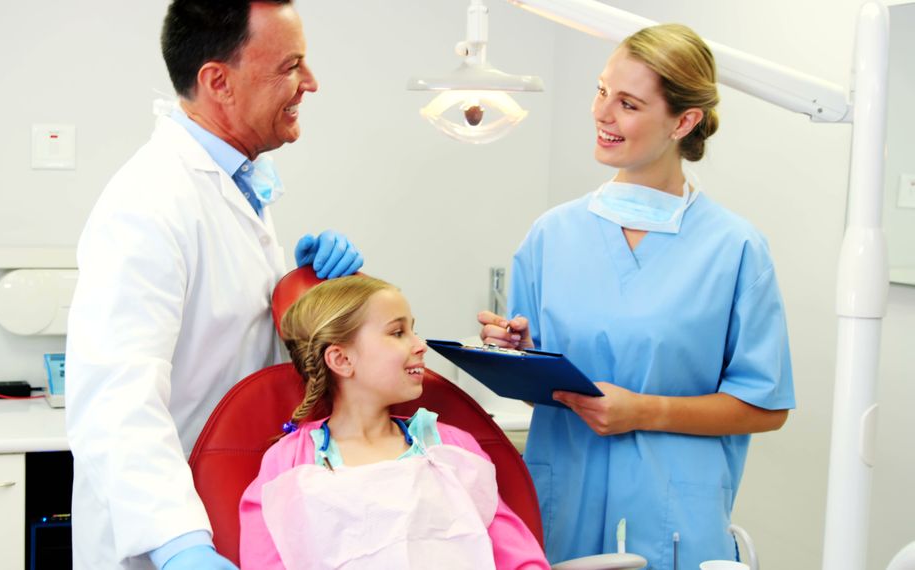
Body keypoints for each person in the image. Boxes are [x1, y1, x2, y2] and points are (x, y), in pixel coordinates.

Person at [478, 24, 795, 568]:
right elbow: (545, 394)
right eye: (601, 91)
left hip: (674, 523)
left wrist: (644, 411)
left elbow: (764, 407)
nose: (602, 114)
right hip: (562, 512)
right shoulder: (551, 236)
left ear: (684, 121)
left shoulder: (735, 248)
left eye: (627, 103)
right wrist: (520, 358)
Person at [65, 2, 365, 569]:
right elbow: (114, 398)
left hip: (237, 499)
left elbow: (222, 332)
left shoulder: (236, 185)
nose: (311, 83)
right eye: (290, 66)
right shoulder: (148, 201)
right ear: (218, 82)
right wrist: (179, 546)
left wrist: (299, 291)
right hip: (168, 526)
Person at [239, 275, 550, 569]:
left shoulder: (451, 449)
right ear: (342, 360)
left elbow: (520, 559)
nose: (420, 345)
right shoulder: (288, 464)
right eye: (398, 332)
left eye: (412, 330)